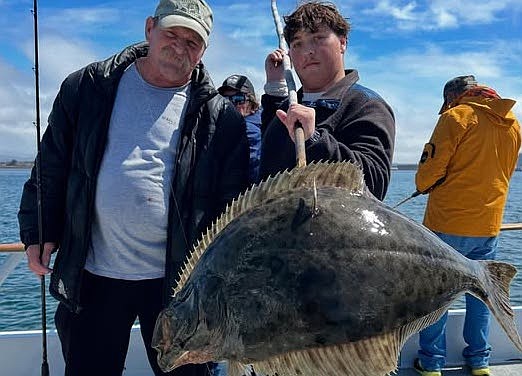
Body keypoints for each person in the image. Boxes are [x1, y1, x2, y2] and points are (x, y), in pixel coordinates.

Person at [18, 0, 249, 375]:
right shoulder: (87, 86)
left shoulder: (222, 118)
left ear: (204, 50)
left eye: (193, 42)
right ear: (149, 29)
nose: (180, 46)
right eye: (172, 34)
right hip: (93, 275)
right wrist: (37, 229)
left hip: (180, 287)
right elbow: (51, 164)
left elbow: (231, 206)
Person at [413, 75, 521, 376]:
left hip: (447, 223)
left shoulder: (456, 116)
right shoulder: (512, 123)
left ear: (452, 97)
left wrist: (425, 184)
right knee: (483, 296)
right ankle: (480, 361)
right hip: (488, 226)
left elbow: (426, 177)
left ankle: (432, 363)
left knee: (437, 295)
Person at [260, 0, 395, 200]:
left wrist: (314, 139)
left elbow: (374, 185)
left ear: (342, 43)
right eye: (298, 44)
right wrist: (274, 91)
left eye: (318, 38)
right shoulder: (287, 107)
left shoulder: (367, 105)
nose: (307, 51)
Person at [218, 75, 262, 185]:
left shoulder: (248, 130)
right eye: (225, 100)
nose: (231, 105)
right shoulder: (262, 122)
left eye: (238, 99)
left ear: (251, 102)